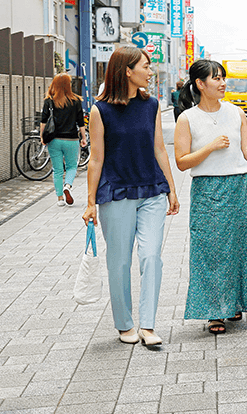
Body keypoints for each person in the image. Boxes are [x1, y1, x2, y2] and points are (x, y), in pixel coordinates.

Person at [174, 59, 247, 335]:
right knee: (210, 251)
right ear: (200, 84)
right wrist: (210, 146)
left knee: (240, 247)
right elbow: (182, 162)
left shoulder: (236, 114)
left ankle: (233, 304)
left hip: (239, 187)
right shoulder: (187, 118)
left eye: (223, 78)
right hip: (207, 191)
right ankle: (214, 312)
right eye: (216, 78)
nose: (223, 83)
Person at [82, 46, 180, 346]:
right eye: (146, 66)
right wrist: (89, 202)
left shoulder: (151, 105)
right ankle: (125, 324)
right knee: (119, 261)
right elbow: (95, 159)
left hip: (151, 189)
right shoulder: (101, 110)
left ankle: (148, 326)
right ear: (127, 71)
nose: (150, 72)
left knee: (152, 256)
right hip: (116, 193)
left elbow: (160, 148)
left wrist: (172, 188)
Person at [40, 73, 87, 207]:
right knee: (72, 166)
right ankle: (68, 186)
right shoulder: (76, 101)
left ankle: (60, 198)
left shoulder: (49, 101)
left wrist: (42, 136)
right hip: (71, 139)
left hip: (54, 140)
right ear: (68, 85)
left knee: (57, 169)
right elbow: (81, 122)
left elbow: (43, 121)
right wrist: (83, 138)